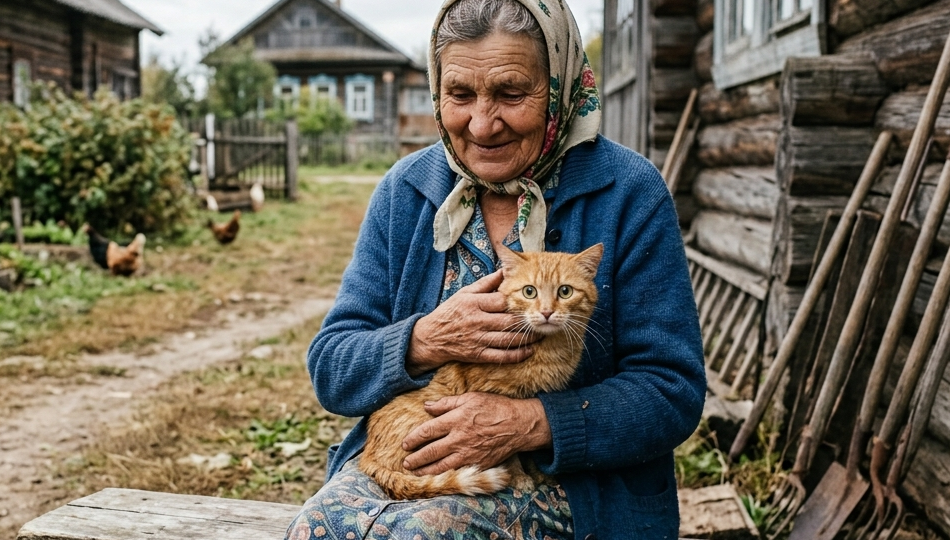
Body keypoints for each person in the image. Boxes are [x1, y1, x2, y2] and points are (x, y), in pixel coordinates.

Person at [285, 0, 706, 538]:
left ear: (558, 86)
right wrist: (424, 339)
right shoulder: (405, 191)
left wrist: (529, 423)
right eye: (460, 94)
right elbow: (332, 368)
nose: (482, 125)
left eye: (511, 93)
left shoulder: (628, 192)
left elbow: (672, 390)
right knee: (316, 527)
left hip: (574, 489)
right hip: (409, 462)